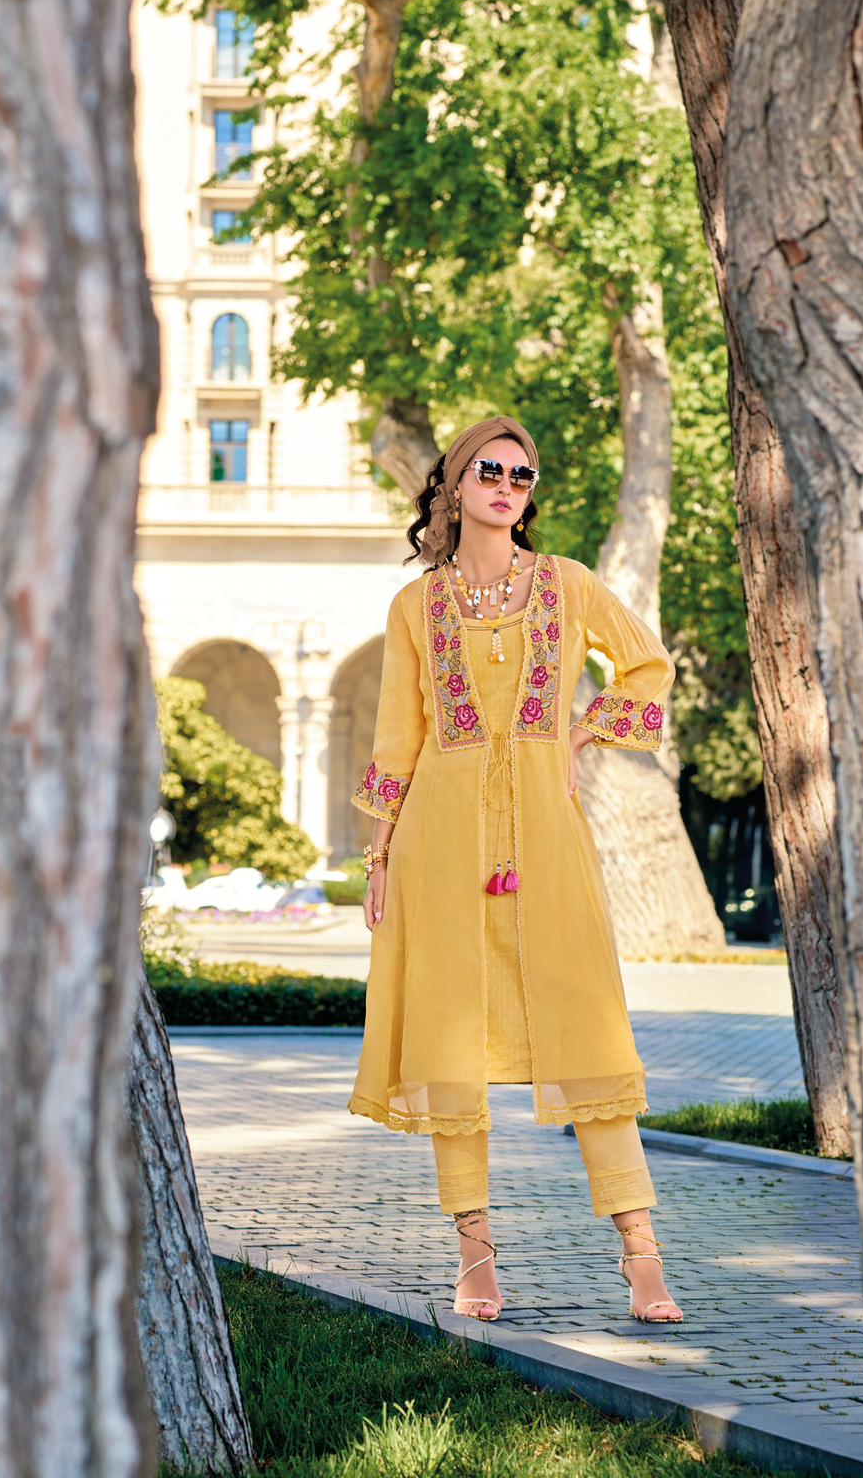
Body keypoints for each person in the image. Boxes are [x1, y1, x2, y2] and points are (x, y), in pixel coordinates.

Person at [347, 414, 683, 1325]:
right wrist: (379, 858)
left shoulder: (568, 585)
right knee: (450, 1041)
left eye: (521, 476)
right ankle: (476, 1253)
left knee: (588, 1027)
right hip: (439, 840)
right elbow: (398, 737)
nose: (505, 486)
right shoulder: (415, 607)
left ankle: (641, 1250)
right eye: (489, 471)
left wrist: (581, 732)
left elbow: (647, 665)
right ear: (455, 485)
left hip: (547, 834)